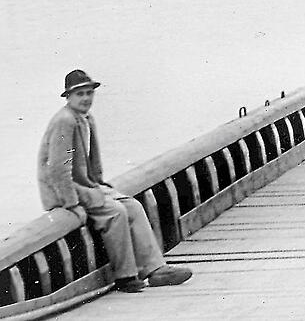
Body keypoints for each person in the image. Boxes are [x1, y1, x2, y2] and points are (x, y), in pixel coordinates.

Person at [37, 70, 193, 293]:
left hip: (86, 185)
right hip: (63, 191)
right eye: (80, 94)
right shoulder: (65, 121)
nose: (86, 98)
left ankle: (156, 269)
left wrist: (100, 184)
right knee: (115, 212)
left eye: (89, 93)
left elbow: (92, 163)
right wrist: (72, 204)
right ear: (68, 97)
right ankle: (125, 276)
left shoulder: (86, 118)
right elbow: (59, 171)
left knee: (133, 206)